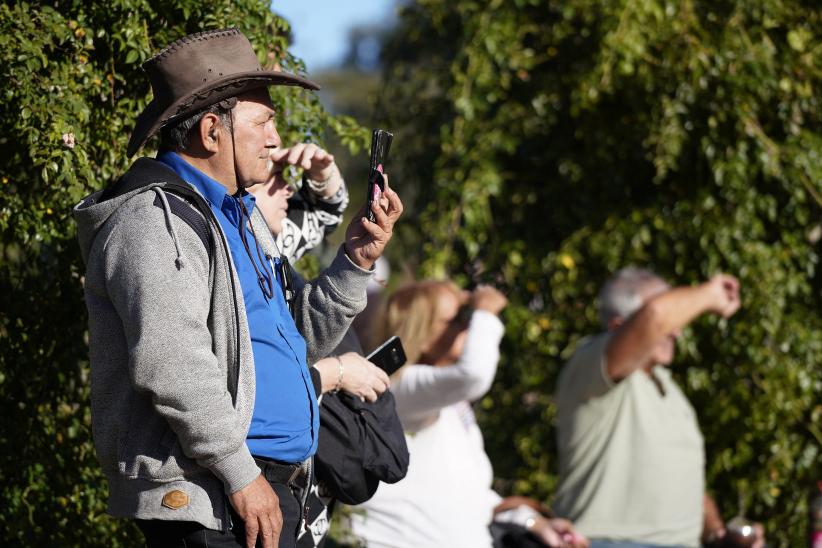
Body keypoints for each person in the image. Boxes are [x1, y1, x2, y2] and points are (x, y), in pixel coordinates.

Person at [73, 28, 402, 548]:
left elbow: (298, 343)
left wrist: (355, 261)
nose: (275, 137)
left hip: (261, 492)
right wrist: (241, 476)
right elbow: (172, 364)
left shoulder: (240, 216)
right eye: (264, 120)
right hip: (214, 499)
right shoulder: (152, 220)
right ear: (211, 131)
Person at [349, 281, 587, 548]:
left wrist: (532, 521)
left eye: (469, 317)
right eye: (459, 318)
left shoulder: (451, 410)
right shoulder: (395, 388)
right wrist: (485, 312)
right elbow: (473, 375)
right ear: (424, 335)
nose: (468, 326)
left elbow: (475, 496)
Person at [553, 268, 764, 548]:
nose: (676, 331)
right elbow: (655, 317)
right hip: (609, 541)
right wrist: (709, 294)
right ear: (619, 327)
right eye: (670, 323)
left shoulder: (670, 390)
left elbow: (685, 484)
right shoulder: (592, 363)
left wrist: (717, 534)